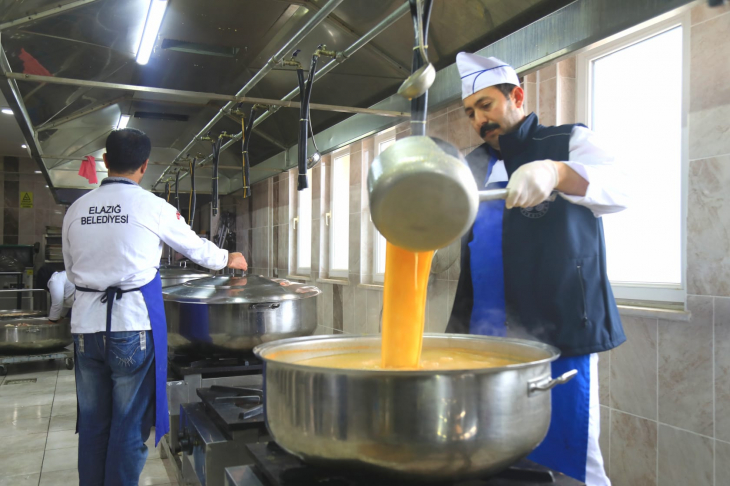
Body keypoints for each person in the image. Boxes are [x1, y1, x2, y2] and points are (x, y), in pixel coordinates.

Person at [447, 53, 628, 486]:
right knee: (492, 456)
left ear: (518, 97)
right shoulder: (471, 164)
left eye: (486, 106)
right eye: (471, 112)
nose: (478, 120)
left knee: (571, 459)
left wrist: (557, 172)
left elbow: (621, 188)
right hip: (483, 339)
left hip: (556, 333)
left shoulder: (568, 140)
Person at [62, 128, 248, 486]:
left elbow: (72, 273)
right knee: (129, 426)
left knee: (94, 423)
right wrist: (230, 258)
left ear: (105, 161)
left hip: (85, 329)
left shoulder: (76, 209)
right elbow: (197, 249)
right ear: (144, 166)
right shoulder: (153, 206)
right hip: (132, 327)